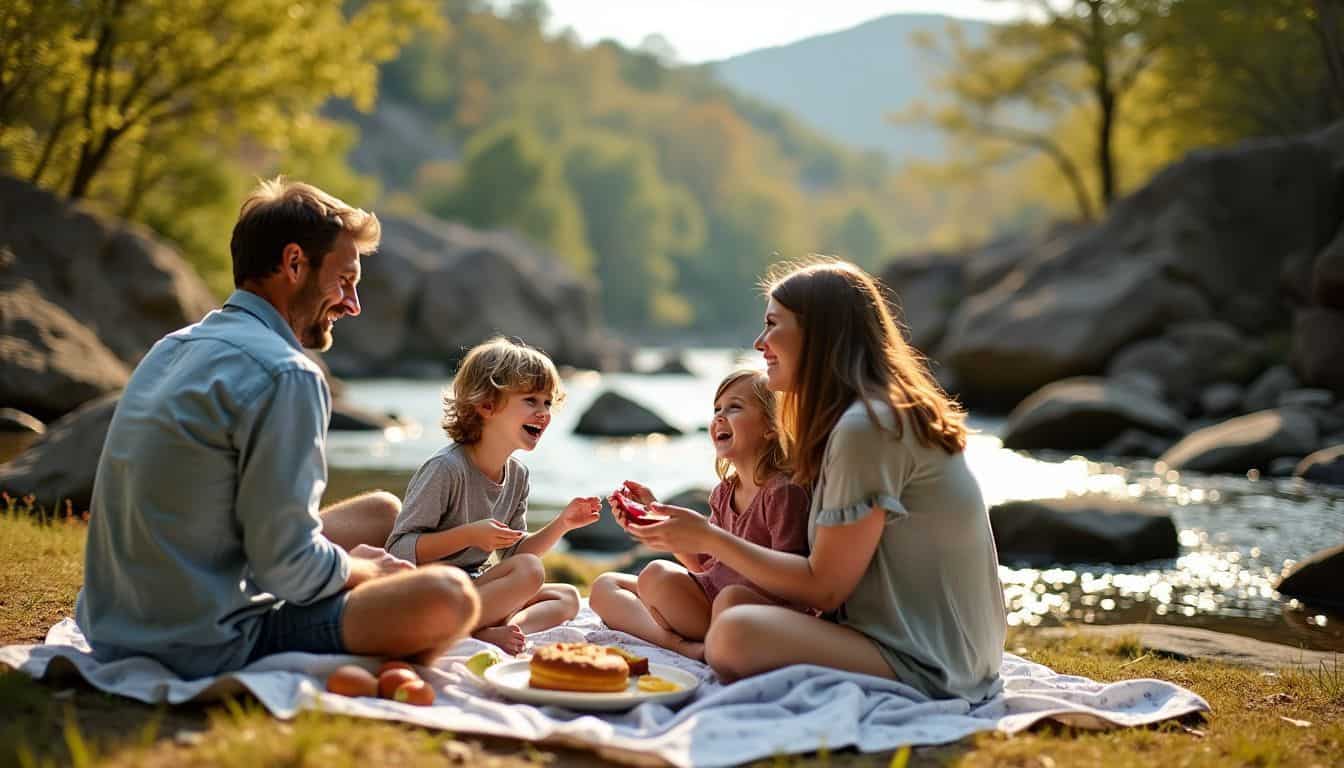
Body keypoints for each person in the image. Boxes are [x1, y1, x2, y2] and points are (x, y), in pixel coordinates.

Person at [76, 178, 481, 679]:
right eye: (345, 280)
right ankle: (377, 664)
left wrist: (347, 565)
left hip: (114, 624)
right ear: (294, 264)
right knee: (451, 598)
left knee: (383, 511)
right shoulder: (287, 373)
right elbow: (287, 569)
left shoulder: (173, 347)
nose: (353, 304)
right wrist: (367, 571)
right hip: (204, 641)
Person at [629, 259, 1006, 702]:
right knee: (705, 609)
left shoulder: (866, 427)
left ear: (820, 334)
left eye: (773, 324)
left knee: (733, 632)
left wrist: (710, 538)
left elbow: (825, 587)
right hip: (947, 649)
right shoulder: (862, 419)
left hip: (929, 661)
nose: (760, 343)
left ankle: (699, 646)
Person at [386, 337, 601, 654]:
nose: (543, 412)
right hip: (430, 593)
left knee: (566, 596)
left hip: (476, 590)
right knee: (531, 572)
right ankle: (470, 629)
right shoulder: (446, 469)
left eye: (547, 402)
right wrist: (470, 535)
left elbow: (514, 556)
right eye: (530, 400)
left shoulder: (518, 476)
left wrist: (562, 524)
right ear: (486, 406)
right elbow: (398, 550)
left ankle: (498, 630)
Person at [589, 369, 811, 660]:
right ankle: (682, 646)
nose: (719, 417)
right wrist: (657, 521)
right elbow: (704, 565)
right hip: (710, 602)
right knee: (608, 586)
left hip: (754, 614)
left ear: (772, 426)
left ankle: (707, 641)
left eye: (734, 407)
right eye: (717, 409)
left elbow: (793, 586)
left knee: (730, 599)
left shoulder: (782, 493)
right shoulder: (723, 493)